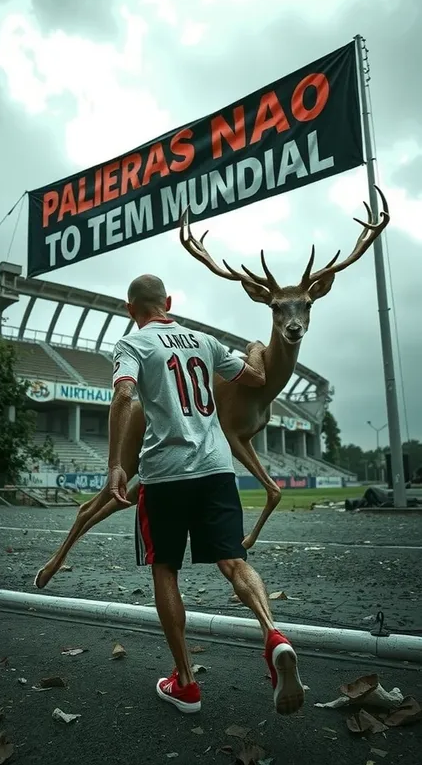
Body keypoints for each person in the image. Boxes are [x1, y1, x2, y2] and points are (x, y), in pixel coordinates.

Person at [107, 274, 304, 716]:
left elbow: (123, 396)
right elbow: (255, 377)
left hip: (164, 475)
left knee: (165, 568)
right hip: (216, 468)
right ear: (169, 301)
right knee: (235, 561)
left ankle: (187, 683)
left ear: (130, 310)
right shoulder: (204, 340)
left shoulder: (131, 344)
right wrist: (255, 346)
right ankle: (273, 634)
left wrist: (116, 464)